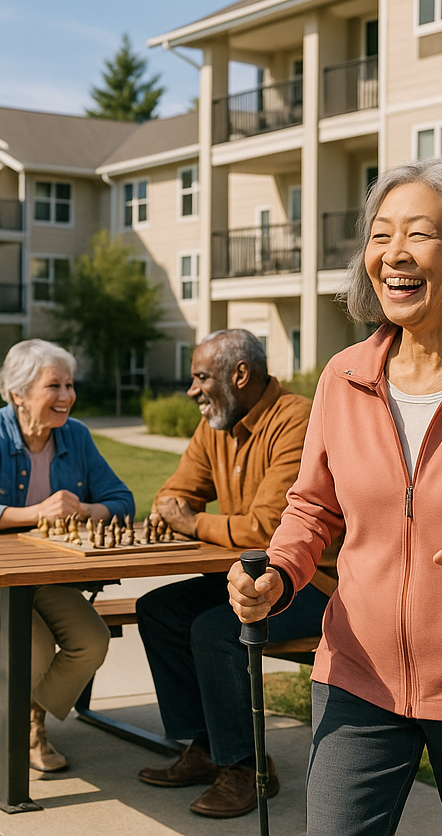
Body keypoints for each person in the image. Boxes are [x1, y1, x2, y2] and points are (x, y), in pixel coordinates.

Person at [229, 159, 442, 835]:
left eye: (419, 234)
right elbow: (313, 507)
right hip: (356, 674)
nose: (393, 253)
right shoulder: (344, 376)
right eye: (379, 234)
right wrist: (278, 573)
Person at [136, 328, 333, 819]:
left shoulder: (296, 420)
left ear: (240, 375)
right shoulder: (216, 425)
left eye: (202, 377)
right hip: (245, 579)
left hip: (310, 583)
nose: (192, 390)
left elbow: (269, 529)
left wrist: (194, 523)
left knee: (216, 631)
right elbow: (174, 493)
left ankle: (247, 767)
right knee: (157, 609)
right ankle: (207, 746)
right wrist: (175, 508)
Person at [0, 339, 134, 772]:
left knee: (92, 641)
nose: (67, 395)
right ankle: (26, 731)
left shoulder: (76, 435)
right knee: (31, 646)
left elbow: (122, 501)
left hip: (45, 578)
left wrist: (85, 510)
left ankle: (25, 718)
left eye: (70, 385)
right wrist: (35, 513)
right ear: (18, 393)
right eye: (54, 386)